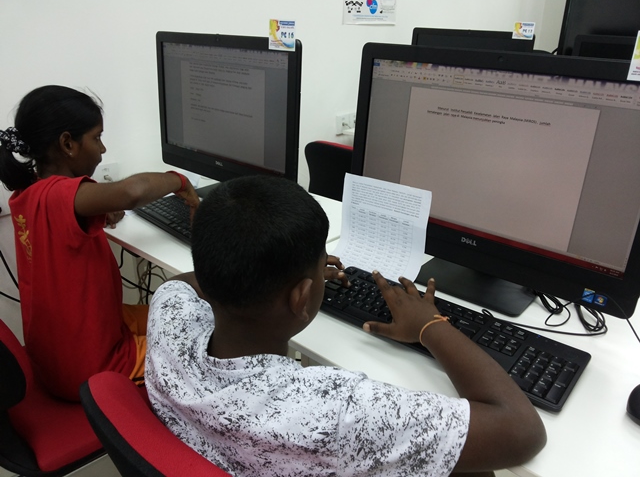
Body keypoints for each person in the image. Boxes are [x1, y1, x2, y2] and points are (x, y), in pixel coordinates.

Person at [145, 175, 546, 476]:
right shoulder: (336, 412)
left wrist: (287, 273)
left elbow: (185, 283)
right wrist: (430, 325)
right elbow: (522, 432)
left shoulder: (168, 317)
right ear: (301, 299)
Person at [0, 85, 200, 401]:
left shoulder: (27, 194)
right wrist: (181, 181)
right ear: (67, 144)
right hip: (93, 368)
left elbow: (63, 223)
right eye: (97, 138)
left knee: (175, 301)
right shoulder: (61, 195)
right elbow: (132, 192)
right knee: (204, 328)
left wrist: (101, 210)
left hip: (58, 355)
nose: (103, 149)